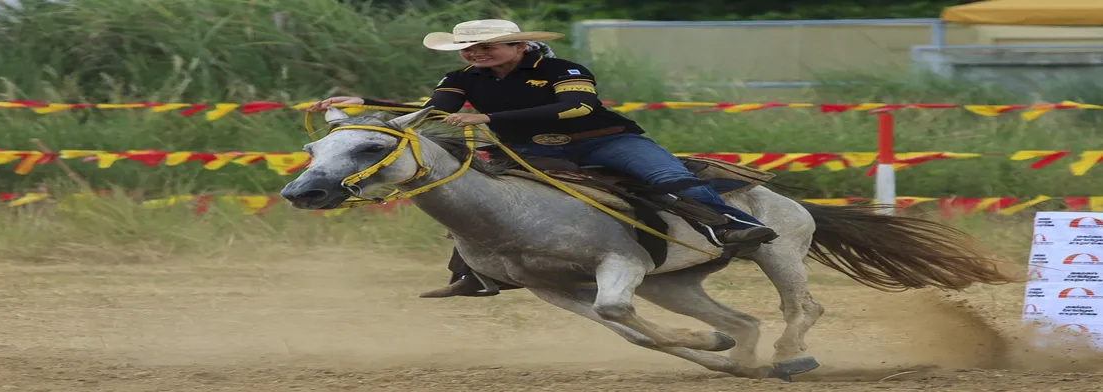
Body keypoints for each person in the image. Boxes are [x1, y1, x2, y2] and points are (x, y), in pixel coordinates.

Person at [304, 19, 778, 298]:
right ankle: (472, 271)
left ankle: (730, 225)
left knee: (663, 173)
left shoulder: (561, 69)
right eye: (469, 48)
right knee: (474, 193)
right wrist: (365, 102)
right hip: (528, 148)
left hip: (601, 139)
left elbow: (579, 107)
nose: (476, 53)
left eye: (486, 46)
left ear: (519, 45)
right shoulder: (463, 75)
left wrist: (485, 115)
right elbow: (435, 111)